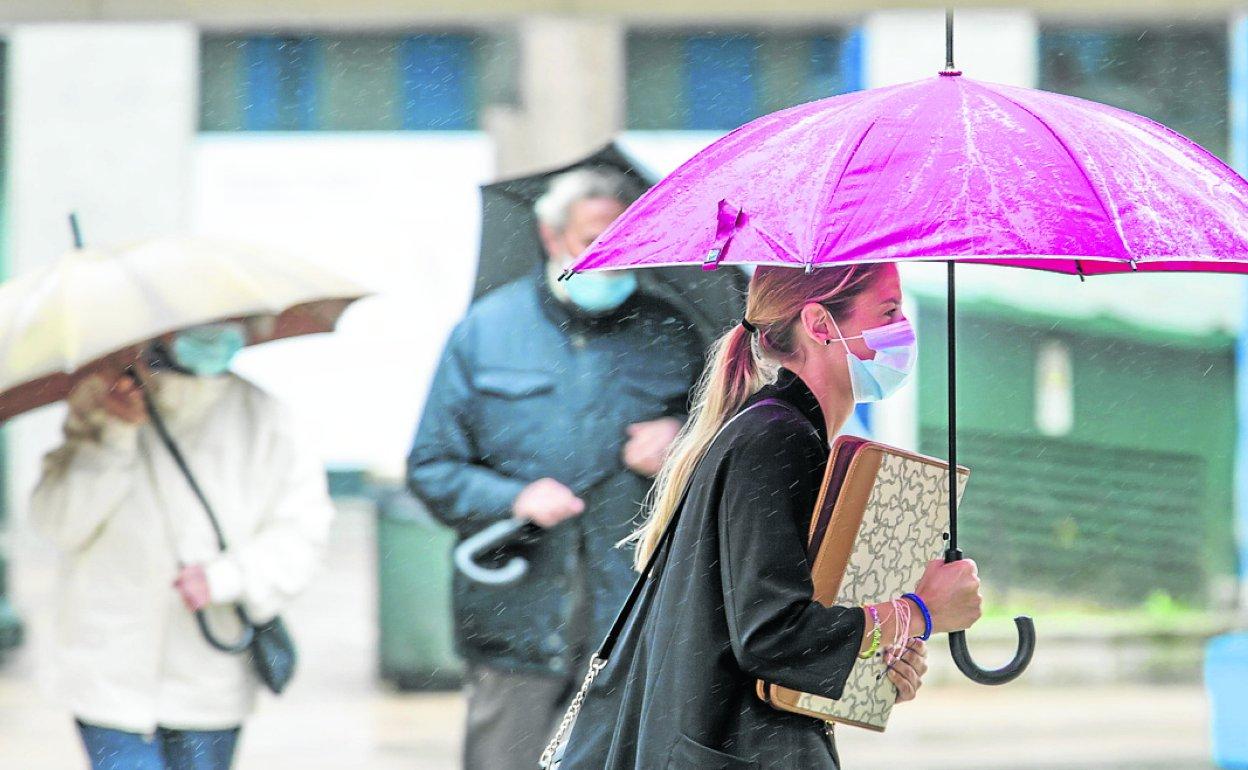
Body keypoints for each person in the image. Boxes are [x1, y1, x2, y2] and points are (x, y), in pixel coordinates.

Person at [556, 263, 985, 769]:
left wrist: (877, 659)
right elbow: (770, 635)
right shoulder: (777, 439)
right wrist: (918, 612)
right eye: (889, 311)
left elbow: (760, 629)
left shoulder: (778, 430)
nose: (903, 329)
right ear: (821, 324)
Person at [407, 167, 708, 770]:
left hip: (631, 619)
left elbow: (726, 461)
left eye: (626, 236)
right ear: (551, 237)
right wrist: (514, 498)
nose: (611, 255)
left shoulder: (674, 331)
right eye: (593, 235)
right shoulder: (486, 332)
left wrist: (682, 445)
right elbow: (431, 467)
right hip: (515, 615)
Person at [30, 321, 335, 770]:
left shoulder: (266, 417)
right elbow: (58, 523)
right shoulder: (101, 402)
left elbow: (302, 534)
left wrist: (226, 578)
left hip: (208, 676)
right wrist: (114, 436)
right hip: (106, 674)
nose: (213, 333)